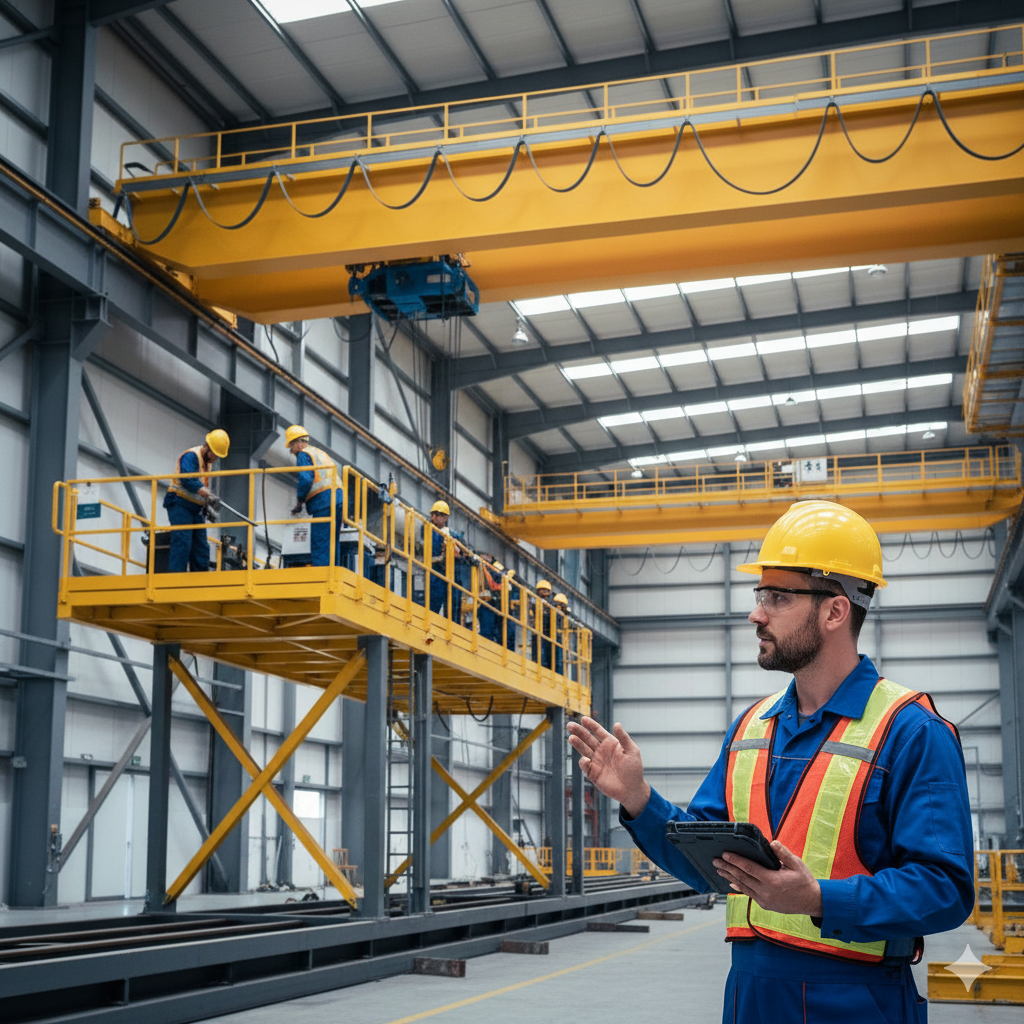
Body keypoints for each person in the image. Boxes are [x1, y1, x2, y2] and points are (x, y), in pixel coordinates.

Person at [567, 500, 974, 1024]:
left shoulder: (911, 731)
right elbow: (707, 861)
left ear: (834, 611)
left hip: (856, 1000)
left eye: (778, 598)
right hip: (749, 996)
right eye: (761, 596)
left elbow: (945, 889)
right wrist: (638, 800)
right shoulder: (751, 729)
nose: (756, 614)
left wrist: (819, 899)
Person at [163, 429, 230, 572]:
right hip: (179, 504)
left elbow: (198, 485)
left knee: (201, 547)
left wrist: (206, 503)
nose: (215, 459)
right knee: (183, 542)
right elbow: (187, 479)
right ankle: (175, 579)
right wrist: (208, 494)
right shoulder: (192, 456)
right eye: (215, 455)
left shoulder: (207, 462)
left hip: (195, 508)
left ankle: (200, 579)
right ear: (208, 448)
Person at [286, 425, 345, 568]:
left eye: (291, 447)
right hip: (339, 498)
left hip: (323, 499)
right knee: (333, 539)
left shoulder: (303, 454)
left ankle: (321, 571)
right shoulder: (319, 452)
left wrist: (300, 501)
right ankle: (333, 570)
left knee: (320, 537)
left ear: (298, 443)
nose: (291, 451)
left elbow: (306, 479)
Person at [427, 500, 453, 615]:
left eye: (438, 515)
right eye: (433, 514)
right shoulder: (426, 528)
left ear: (445, 518)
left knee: (438, 598)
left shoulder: (449, 534)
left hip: (441, 570)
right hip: (429, 568)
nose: (434, 517)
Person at [530, 579, 554, 666]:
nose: (544, 591)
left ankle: (549, 666)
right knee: (538, 648)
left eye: (546, 590)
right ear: (538, 591)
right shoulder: (534, 599)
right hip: (538, 628)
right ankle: (537, 663)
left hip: (548, 630)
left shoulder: (552, 603)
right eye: (542, 589)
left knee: (549, 649)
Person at [553, 592, 569, 674]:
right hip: (553, 636)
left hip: (559, 637)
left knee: (559, 659)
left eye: (561, 604)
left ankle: (559, 673)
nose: (560, 606)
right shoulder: (552, 611)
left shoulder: (565, 615)